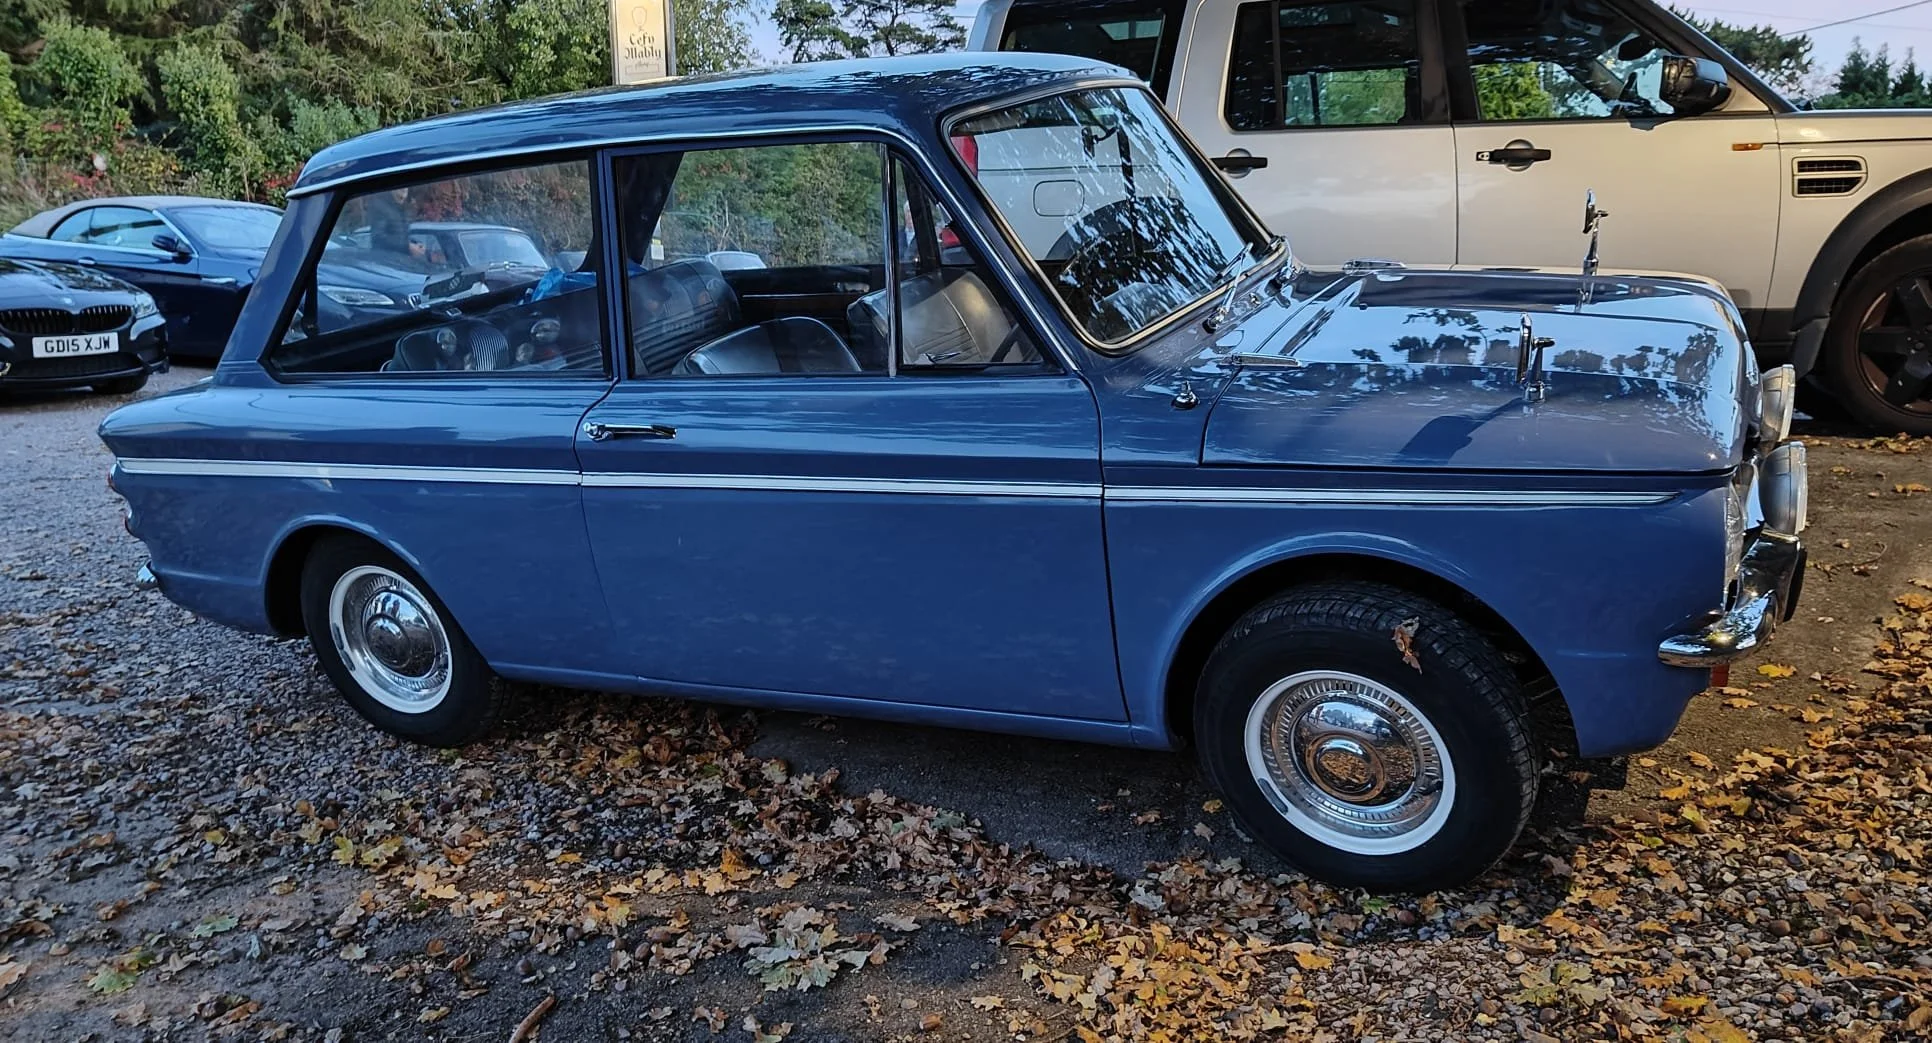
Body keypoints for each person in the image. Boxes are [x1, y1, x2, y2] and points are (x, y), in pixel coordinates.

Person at [366, 186, 412, 260]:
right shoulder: (381, 206)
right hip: (385, 264)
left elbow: (402, 236)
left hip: (401, 262)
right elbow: (378, 237)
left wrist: (415, 246)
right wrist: (407, 246)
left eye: (406, 186)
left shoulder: (403, 208)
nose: (404, 188)